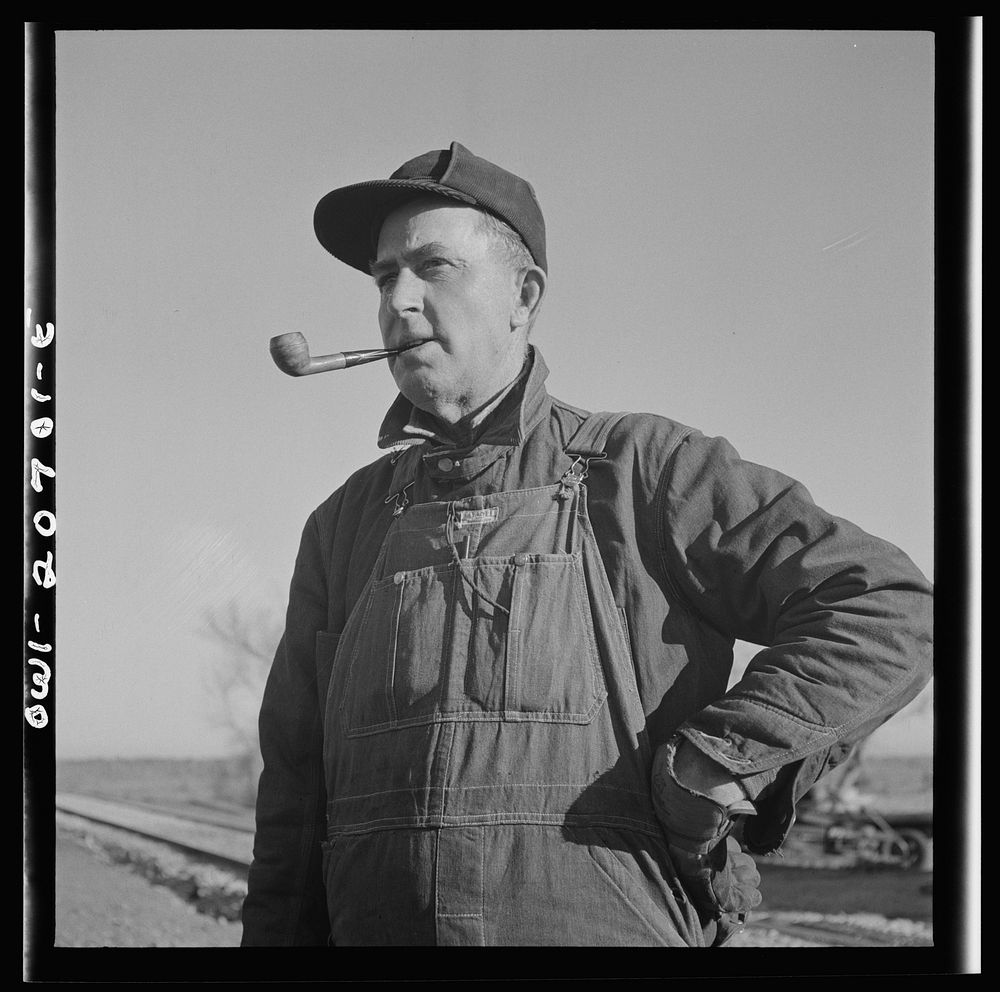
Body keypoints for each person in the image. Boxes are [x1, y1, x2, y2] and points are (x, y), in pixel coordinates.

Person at [241, 141, 933, 947]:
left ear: (522, 296)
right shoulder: (343, 526)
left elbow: (885, 607)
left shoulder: (647, 471)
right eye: (383, 276)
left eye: (434, 267)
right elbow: (294, 798)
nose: (399, 299)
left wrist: (715, 762)